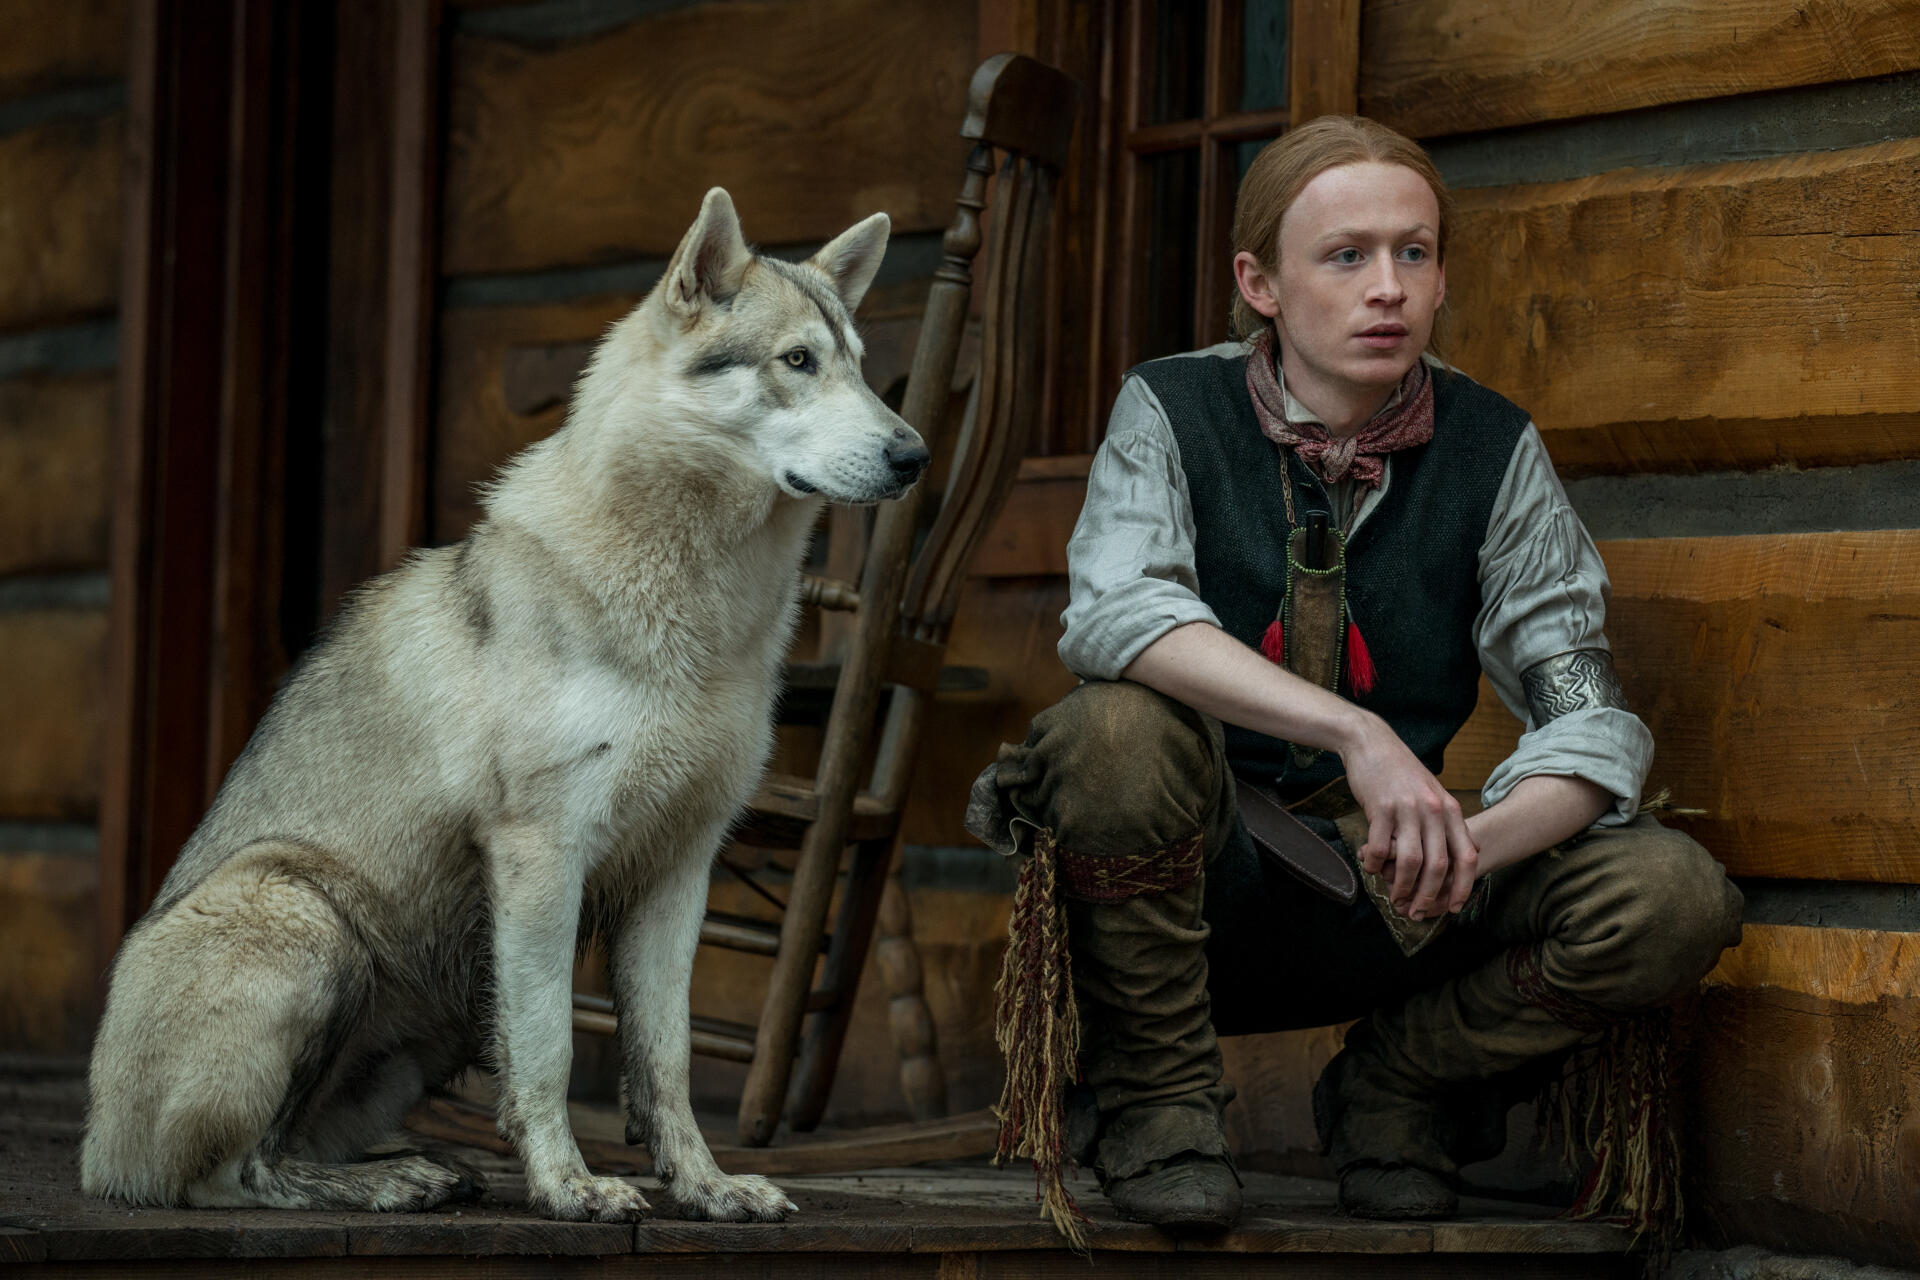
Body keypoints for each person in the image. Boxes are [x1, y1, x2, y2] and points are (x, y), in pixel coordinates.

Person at [967, 116, 1744, 1242]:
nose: (1388, 287)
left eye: (1413, 253)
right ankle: (1159, 1108)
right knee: (1112, 732)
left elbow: (1585, 715)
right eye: (1347, 256)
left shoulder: (1492, 448)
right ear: (1261, 284)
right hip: (1199, 880)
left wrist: (1472, 848)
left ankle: (1399, 1089)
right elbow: (1121, 613)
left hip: (1394, 893)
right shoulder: (1171, 408)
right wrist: (1357, 733)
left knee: (1671, 897)